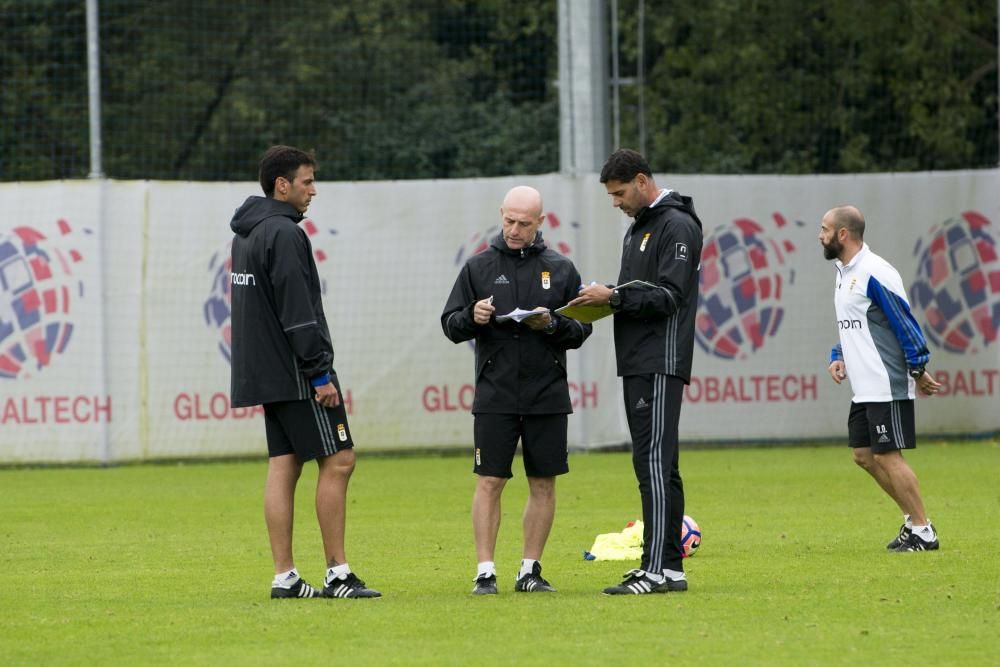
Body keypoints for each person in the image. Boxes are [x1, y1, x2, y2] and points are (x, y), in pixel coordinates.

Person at [229, 145, 380, 599]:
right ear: (283, 185)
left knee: (284, 465)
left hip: (265, 373)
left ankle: (285, 577)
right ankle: (338, 574)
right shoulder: (284, 233)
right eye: (307, 181)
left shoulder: (247, 232)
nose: (313, 190)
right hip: (297, 374)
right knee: (340, 460)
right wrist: (319, 373)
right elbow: (297, 313)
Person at [441, 185, 592, 595]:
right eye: (509, 220)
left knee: (543, 482)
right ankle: (485, 571)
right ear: (501, 215)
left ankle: (530, 569)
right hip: (496, 393)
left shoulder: (560, 269)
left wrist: (554, 325)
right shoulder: (478, 267)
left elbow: (582, 329)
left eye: (524, 223)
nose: (514, 229)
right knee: (490, 480)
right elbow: (450, 324)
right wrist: (473, 316)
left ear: (540, 223)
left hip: (547, 393)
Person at [568, 149, 703, 595]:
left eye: (620, 193)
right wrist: (605, 300)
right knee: (659, 463)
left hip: (660, 360)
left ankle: (654, 569)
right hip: (639, 359)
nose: (616, 202)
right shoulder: (640, 229)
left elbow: (670, 296)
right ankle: (670, 568)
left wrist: (615, 297)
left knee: (654, 462)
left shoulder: (677, 225)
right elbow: (639, 293)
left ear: (643, 181)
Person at [820, 205, 942, 552]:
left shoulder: (876, 271)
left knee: (888, 455)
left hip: (885, 382)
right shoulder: (844, 272)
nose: (820, 235)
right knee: (863, 455)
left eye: (825, 229)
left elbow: (903, 322)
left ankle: (924, 530)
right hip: (864, 386)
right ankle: (911, 522)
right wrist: (838, 356)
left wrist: (918, 368)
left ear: (843, 234)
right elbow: (854, 323)